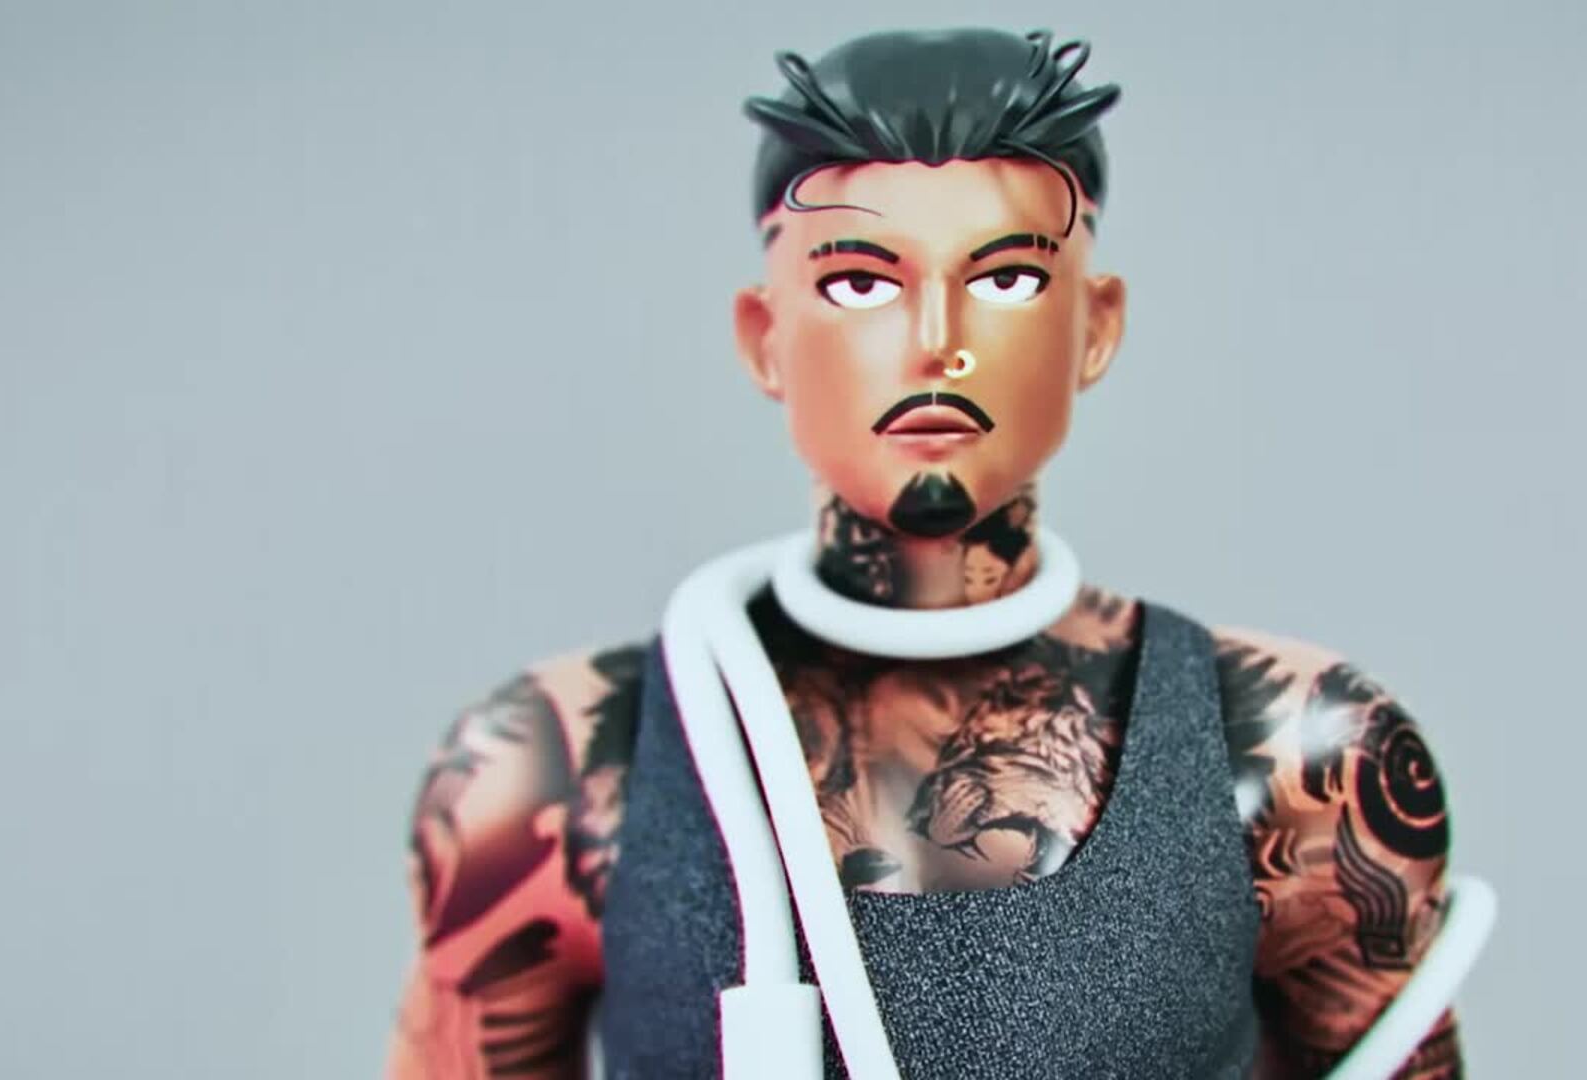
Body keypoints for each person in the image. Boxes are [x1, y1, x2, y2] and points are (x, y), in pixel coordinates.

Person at [387, 27, 1463, 1079]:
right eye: (861, 283)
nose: (935, 341)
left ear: (1095, 326)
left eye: (1007, 280)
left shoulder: (1298, 758)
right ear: (766, 337)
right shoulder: (558, 771)